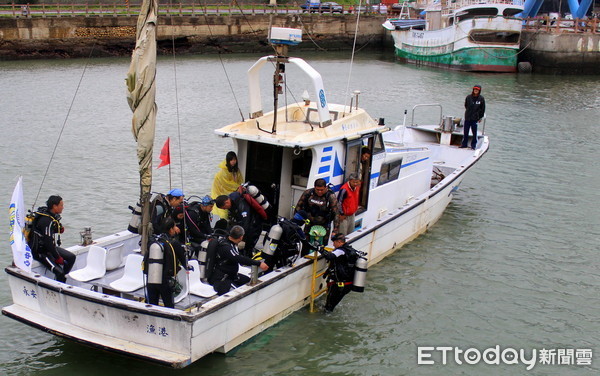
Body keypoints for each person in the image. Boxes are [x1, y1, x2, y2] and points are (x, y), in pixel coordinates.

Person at [208, 225, 268, 295]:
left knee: (248, 281)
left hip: (232, 275)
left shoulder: (228, 241)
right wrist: (258, 263)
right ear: (241, 237)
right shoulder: (226, 247)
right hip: (222, 279)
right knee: (242, 292)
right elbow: (239, 258)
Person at [29, 195, 76, 283]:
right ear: (55, 206)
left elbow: (46, 233)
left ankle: (62, 280)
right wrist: (57, 257)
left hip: (49, 248)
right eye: (61, 205)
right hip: (41, 252)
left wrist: (58, 229)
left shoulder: (51, 216)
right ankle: (59, 284)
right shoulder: (46, 220)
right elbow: (48, 241)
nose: (63, 207)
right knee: (59, 273)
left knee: (71, 257)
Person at [145, 217, 189, 309]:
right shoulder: (174, 243)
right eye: (174, 227)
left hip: (151, 278)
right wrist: (188, 267)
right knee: (169, 306)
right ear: (170, 229)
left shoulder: (153, 240)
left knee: (152, 305)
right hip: (165, 280)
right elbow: (183, 260)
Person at [215, 191, 264, 257]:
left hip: (254, 225)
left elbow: (246, 222)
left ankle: (248, 260)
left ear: (227, 202)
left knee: (247, 248)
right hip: (243, 224)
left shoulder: (241, 203)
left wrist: (242, 238)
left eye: (224, 207)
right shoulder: (232, 204)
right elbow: (233, 221)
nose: (224, 209)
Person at [319, 234, 360, 312]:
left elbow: (330, 256)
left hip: (340, 284)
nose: (333, 244)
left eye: (334, 242)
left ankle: (326, 318)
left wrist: (321, 250)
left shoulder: (341, 250)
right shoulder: (351, 250)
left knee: (329, 307)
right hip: (348, 283)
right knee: (332, 302)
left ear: (339, 242)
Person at [294, 178, 339, 244]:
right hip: (309, 224)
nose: (319, 192)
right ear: (314, 187)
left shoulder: (330, 196)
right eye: (317, 190)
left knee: (322, 246)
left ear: (325, 187)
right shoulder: (308, 193)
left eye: (321, 190)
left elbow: (336, 214)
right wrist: (295, 224)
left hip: (324, 226)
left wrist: (335, 230)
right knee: (305, 244)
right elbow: (298, 207)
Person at [211, 151, 244, 220]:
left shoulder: (236, 170)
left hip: (233, 190)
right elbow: (227, 184)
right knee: (222, 211)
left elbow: (240, 180)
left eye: (234, 159)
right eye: (231, 160)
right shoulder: (223, 172)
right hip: (220, 191)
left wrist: (240, 186)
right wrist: (237, 187)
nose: (233, 161)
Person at [460, 85, 486, 149]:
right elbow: (466, 105)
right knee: (465, 132)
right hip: (467, 118)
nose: (475, 91)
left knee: (474, 133)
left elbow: (482, 109)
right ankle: (464, 145)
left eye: (477, 90)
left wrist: (480, 117)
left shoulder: (481, 99)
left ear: (479, 91)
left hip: (475, 119)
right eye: (474, 89)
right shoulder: (468, 97)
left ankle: (473, 146)